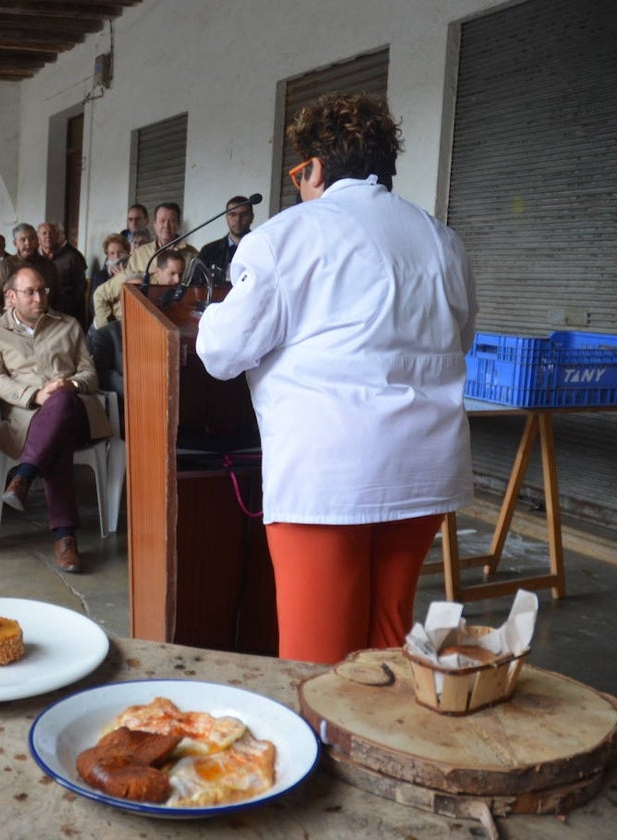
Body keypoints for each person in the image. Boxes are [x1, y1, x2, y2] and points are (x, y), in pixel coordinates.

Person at [195, 92, 477, 665]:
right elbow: (461, 338)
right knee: (386, 645)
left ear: (315, 168)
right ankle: (379, 750)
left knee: (316, 663)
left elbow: (222, 354)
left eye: (300, 172)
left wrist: (216, 313)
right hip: (423, 467)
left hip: (332, 476)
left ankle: (324, 752)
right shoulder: (443, 242)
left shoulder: (287, 236)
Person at [0, 265, 111, 572]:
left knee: (62, 400)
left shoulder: (68, 325)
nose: (39, 297)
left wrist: (70, 385)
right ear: (10, 297)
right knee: (57, 440)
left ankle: (24, 475)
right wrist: (35, 395)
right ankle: (65, 538)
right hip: (28, 419)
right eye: (30, 292)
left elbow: (89, 372)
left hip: (77, 412)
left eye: (43, 290)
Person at [92, 202, 198, 329]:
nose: (166, 226)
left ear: (178, 224)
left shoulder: (192, 255)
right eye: (162, 221)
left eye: (172, 221)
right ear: (154, 224)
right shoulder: (140, 253)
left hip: (171, 320)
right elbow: (125, 285)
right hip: (135, 320)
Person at [196, 195, 255, 285]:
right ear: (226, 217)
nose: (237, 219)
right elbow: (196, 284)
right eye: (233, 214)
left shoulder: (262, 249)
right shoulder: (209, 251)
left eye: (243, 215)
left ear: (252, 217)